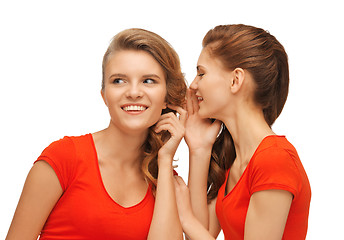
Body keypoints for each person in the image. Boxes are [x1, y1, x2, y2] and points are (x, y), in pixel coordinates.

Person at [6, 28, 187, 240]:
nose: (134, 92)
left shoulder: (165, 180)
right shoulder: (64, 158)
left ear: (167, 97)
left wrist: (165, 160)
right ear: (104, 95)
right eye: (119, 80)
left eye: (148, 81)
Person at [174, 24, 311, 240]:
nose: (193, 85)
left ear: (235, 80)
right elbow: (200, 234)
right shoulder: (236, 160)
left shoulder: (274, 159)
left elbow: (193, 227)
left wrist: (185, 217)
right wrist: (199, 149)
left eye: (201, 73)